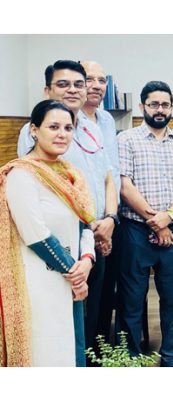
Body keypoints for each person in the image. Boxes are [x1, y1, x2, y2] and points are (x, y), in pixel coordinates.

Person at [16, 60, 117, 365]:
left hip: (91, 238)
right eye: (63, 84)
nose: (62, 134)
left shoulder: (91, 129)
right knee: (53, 333)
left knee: (91, 318)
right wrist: (77, 266)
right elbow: (36, 215)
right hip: (53, 253)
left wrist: (108, 221)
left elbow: (106, 180)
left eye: (78, 84)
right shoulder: (27, 156)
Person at [1, 100, 95, 366]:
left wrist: (86, 261)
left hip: (72, 275)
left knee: (69, 348)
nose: (62, 133)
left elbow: (85, 222)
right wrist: (77, 276)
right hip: (39, 282)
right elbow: (36, 235)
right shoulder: (20, 175)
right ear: (34, 130)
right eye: (53, 126)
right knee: (48, 349)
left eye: (68, 127)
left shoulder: (71, 174)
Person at [118, 81, 173, 367]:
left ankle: (172, 356)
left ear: (171, 108)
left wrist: (168, 217)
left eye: (165, 104)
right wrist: (156, 221)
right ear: (143, 106)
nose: (160, 109)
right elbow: (124, 186)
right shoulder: (126, 139)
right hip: (135, 231)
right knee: (131, 299)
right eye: (154, 104)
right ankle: (129, 356)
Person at [79, 60, 121, 354]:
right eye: (88, 79)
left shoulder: (106, 120)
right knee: (80, 299)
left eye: (101, 80)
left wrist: (110, 219)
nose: (95, 85)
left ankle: (99, 353)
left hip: (108, 222)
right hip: (78, 227)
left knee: (105, 295)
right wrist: (92, 226)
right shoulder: (55, 121)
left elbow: (111, 174)